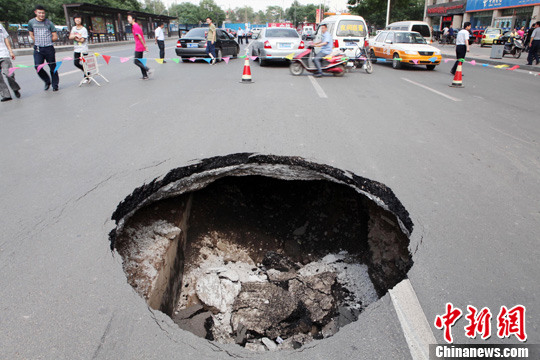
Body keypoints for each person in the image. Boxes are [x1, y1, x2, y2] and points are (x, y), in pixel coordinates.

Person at [28, 5, 59, 91]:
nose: (41, 15)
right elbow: (31, 33)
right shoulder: (31, 22)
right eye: (39, 13)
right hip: (38, 49)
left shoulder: (49, 23)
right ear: (35, 12)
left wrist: (48, 39)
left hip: (49, 48)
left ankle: (55, 85)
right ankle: (47, 80)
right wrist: (36, 40)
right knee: (37, 66)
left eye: (43, 13)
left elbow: (55, 36)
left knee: (53, 67)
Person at [0, 23, 21, 101]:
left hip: (3, 53)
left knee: (9, 74)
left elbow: (6, 38)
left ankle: (15, 88)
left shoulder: (0, 25)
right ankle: (6, 95)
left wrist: (10, 51)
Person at [128, 12, 152, 79]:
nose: (128, 19)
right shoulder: (134, 26)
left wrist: (145, 46)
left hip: (139, 46)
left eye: (129, 18)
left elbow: (140, 37)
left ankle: (148, 69)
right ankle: (145, 75)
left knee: (136, 61)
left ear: (133, 19)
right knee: (140, 61)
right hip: (140, 45)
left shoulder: (135, 26)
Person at [69, 14, 89, 82]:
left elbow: (82, 40)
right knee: (76, 63)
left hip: (83, 50)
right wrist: (76, 37)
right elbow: (70, 37)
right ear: (74, 20)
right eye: (76, 18)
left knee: (84, 63)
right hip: (76, 49)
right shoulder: (73, 28)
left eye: (79, 18)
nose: (77, 20)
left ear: (81, 20)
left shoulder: (84, 29)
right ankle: (87, 72)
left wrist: (74, 37)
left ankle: (86, 77)